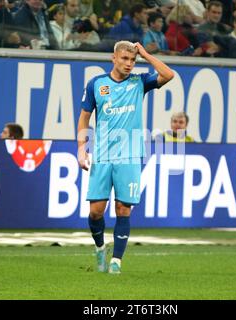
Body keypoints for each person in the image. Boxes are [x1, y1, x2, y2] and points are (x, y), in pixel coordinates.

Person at [77, 40, 174, 274]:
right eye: (124, 59)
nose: (129, 64)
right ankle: (100, 248)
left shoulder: (140, 82)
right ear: (114, 58)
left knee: (123, 209)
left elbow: (168, 74)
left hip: (129, 156)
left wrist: (145, 54)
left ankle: (116, 262)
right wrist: (81, 148)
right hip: (102, 155)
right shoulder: (96, 84)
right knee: (96, 211)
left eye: (132, 60)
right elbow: (84, 118)